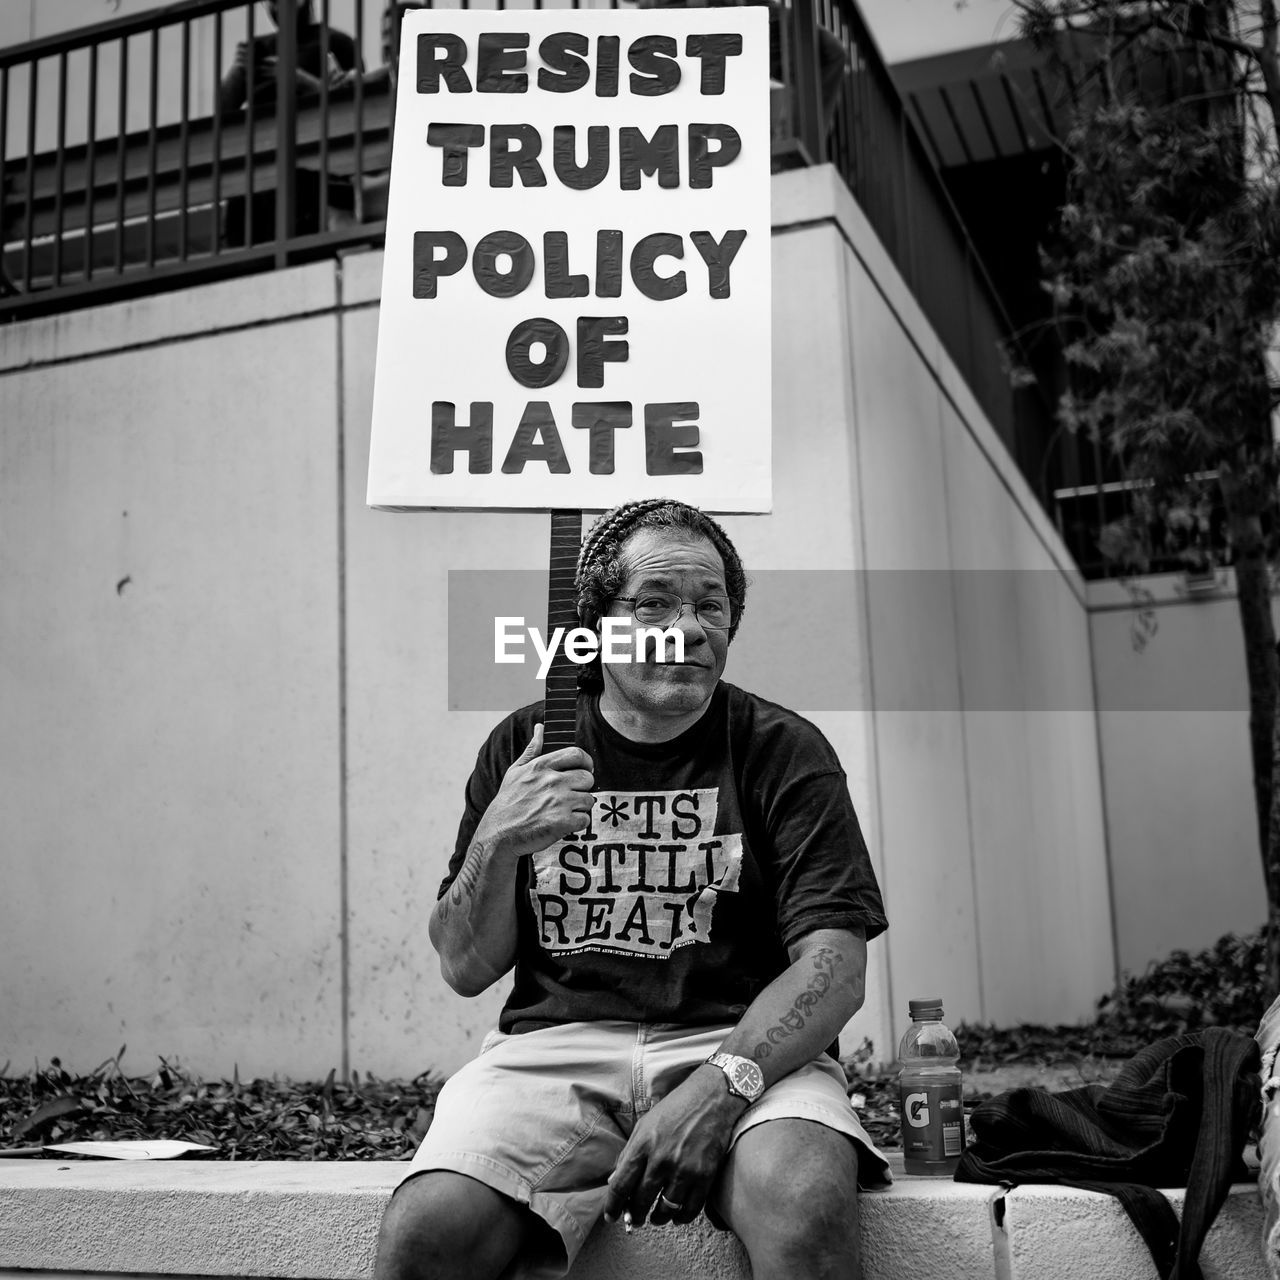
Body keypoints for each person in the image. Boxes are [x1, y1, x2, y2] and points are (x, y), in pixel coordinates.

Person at [373, 498, 890, 1280]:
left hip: (743, 1043)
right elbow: (464, 966)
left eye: (710, 604)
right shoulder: (528, 745)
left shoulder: (782, 751)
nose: (689, 628)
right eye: (654, 603)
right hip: (554, 1052)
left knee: (805, 1207)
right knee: (425, 1237)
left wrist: (724, 1085)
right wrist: (499, 837)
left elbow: (835, 968)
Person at [217, 0, 363, 246]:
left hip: (312, 176)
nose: (275, 7)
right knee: (247, 256)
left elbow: (354, 106)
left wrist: (297, 79)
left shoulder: (336, 42)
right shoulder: (260, 48)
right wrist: (238, 71)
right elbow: (221, 113)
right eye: (270, 2)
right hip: (256, 180)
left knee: (302, 251)